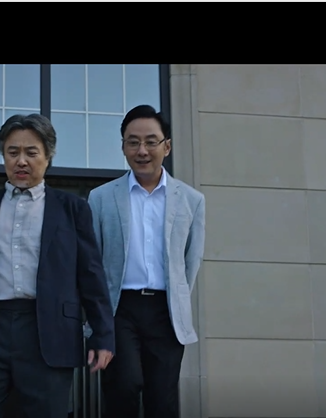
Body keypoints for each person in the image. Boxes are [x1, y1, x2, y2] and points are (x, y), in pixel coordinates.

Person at [0, 113, 116, 418]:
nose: (21, 161)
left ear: (48, 156)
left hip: (48, 331)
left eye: (31, 152)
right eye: (13, 152)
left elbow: (91, 276)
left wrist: (103, 334)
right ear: (3, 156)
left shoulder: (72, 209)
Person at [87, 104, 205, 418]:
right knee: (124, 386)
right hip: (119, 309)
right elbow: (92, 262)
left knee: (162, 398)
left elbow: (190, 261)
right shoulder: (101, 198)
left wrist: (176, 296)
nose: (142, 150)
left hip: (166, 312)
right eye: (133, 142)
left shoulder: (191, 200)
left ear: (167, 146)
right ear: (123, 147)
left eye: (151, 142)